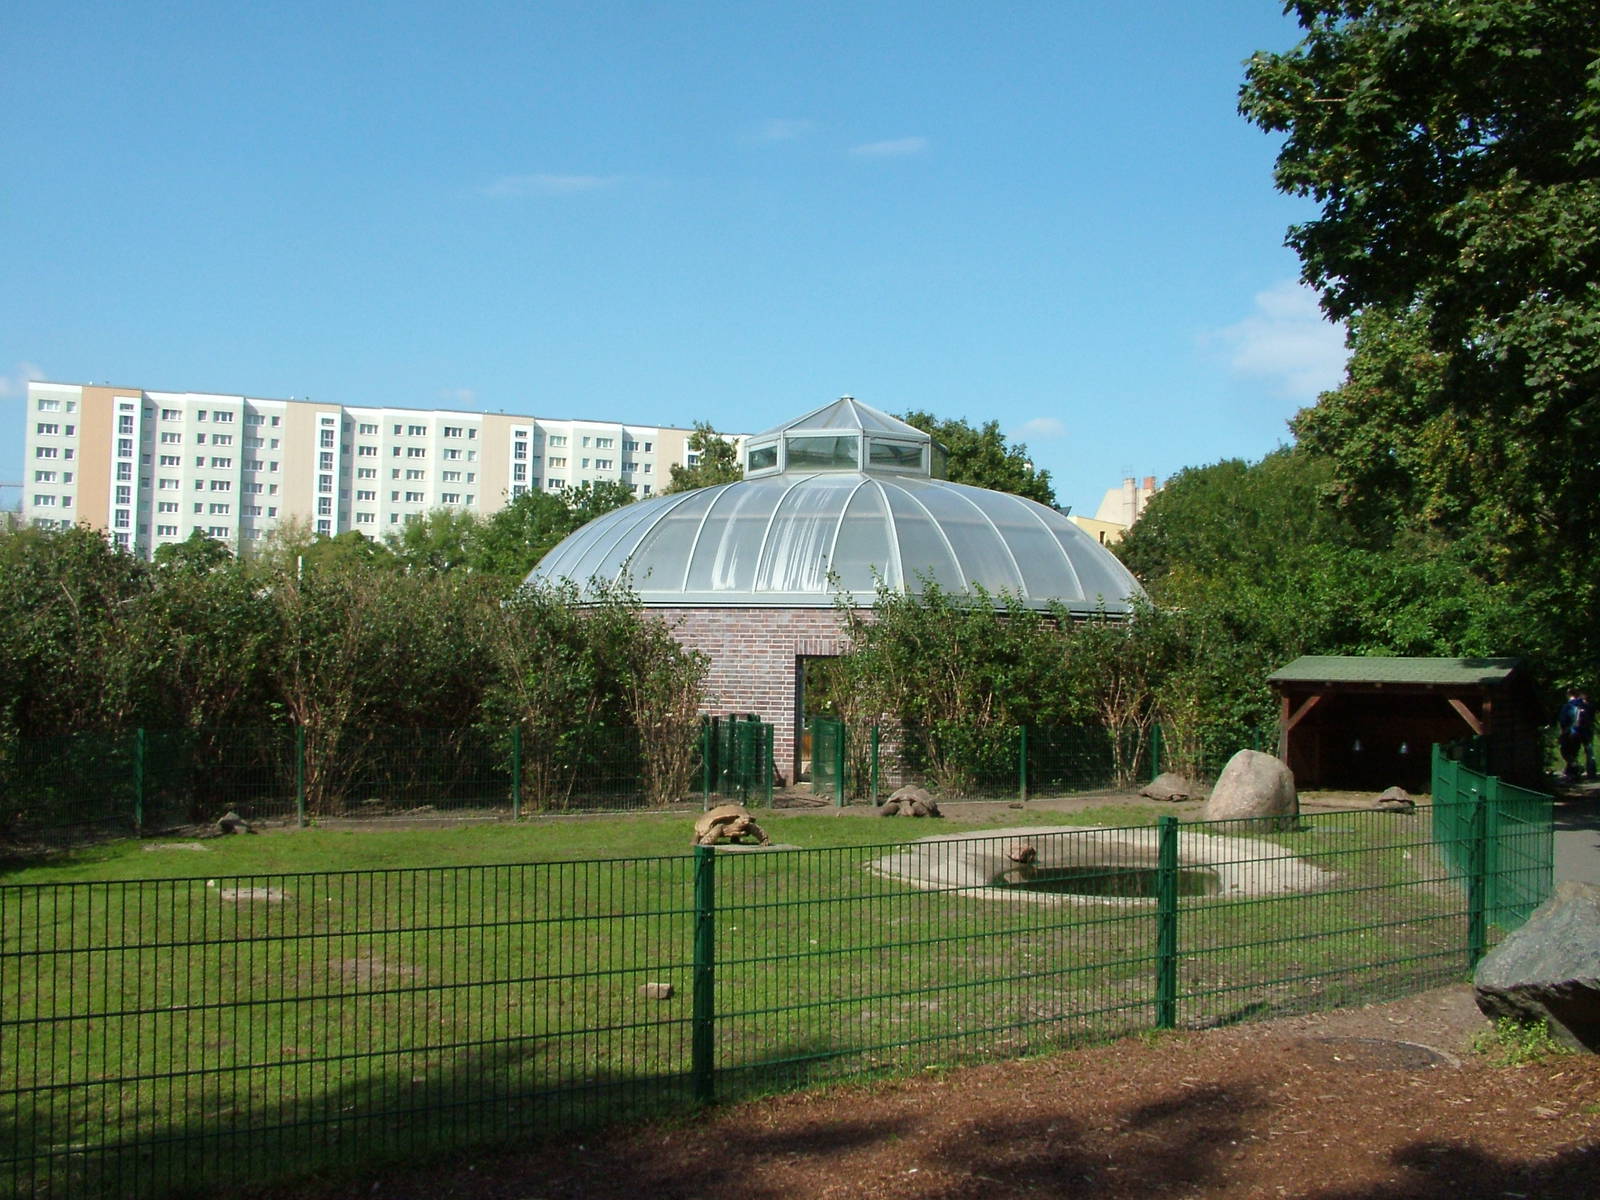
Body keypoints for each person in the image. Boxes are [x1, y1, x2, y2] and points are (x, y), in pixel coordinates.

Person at [1557, 686, 1590, 781]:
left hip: (1570, 732)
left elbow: (1563, 720)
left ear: (1568, 694)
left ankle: (1576, 768)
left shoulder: (1567, 706)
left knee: (1565, 752)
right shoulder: (1584, 705)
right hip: (1581, 733)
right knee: (1574, 753)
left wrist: (1562, 732)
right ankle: (1572, 774)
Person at [1575, 688, 1596, 781]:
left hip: (1581, 730)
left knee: (1577, 751)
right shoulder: (1590, 705)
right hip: (1586, 730)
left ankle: (1576, 772)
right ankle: (1589, 772)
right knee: (1588, 751)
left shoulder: (1582, 705)